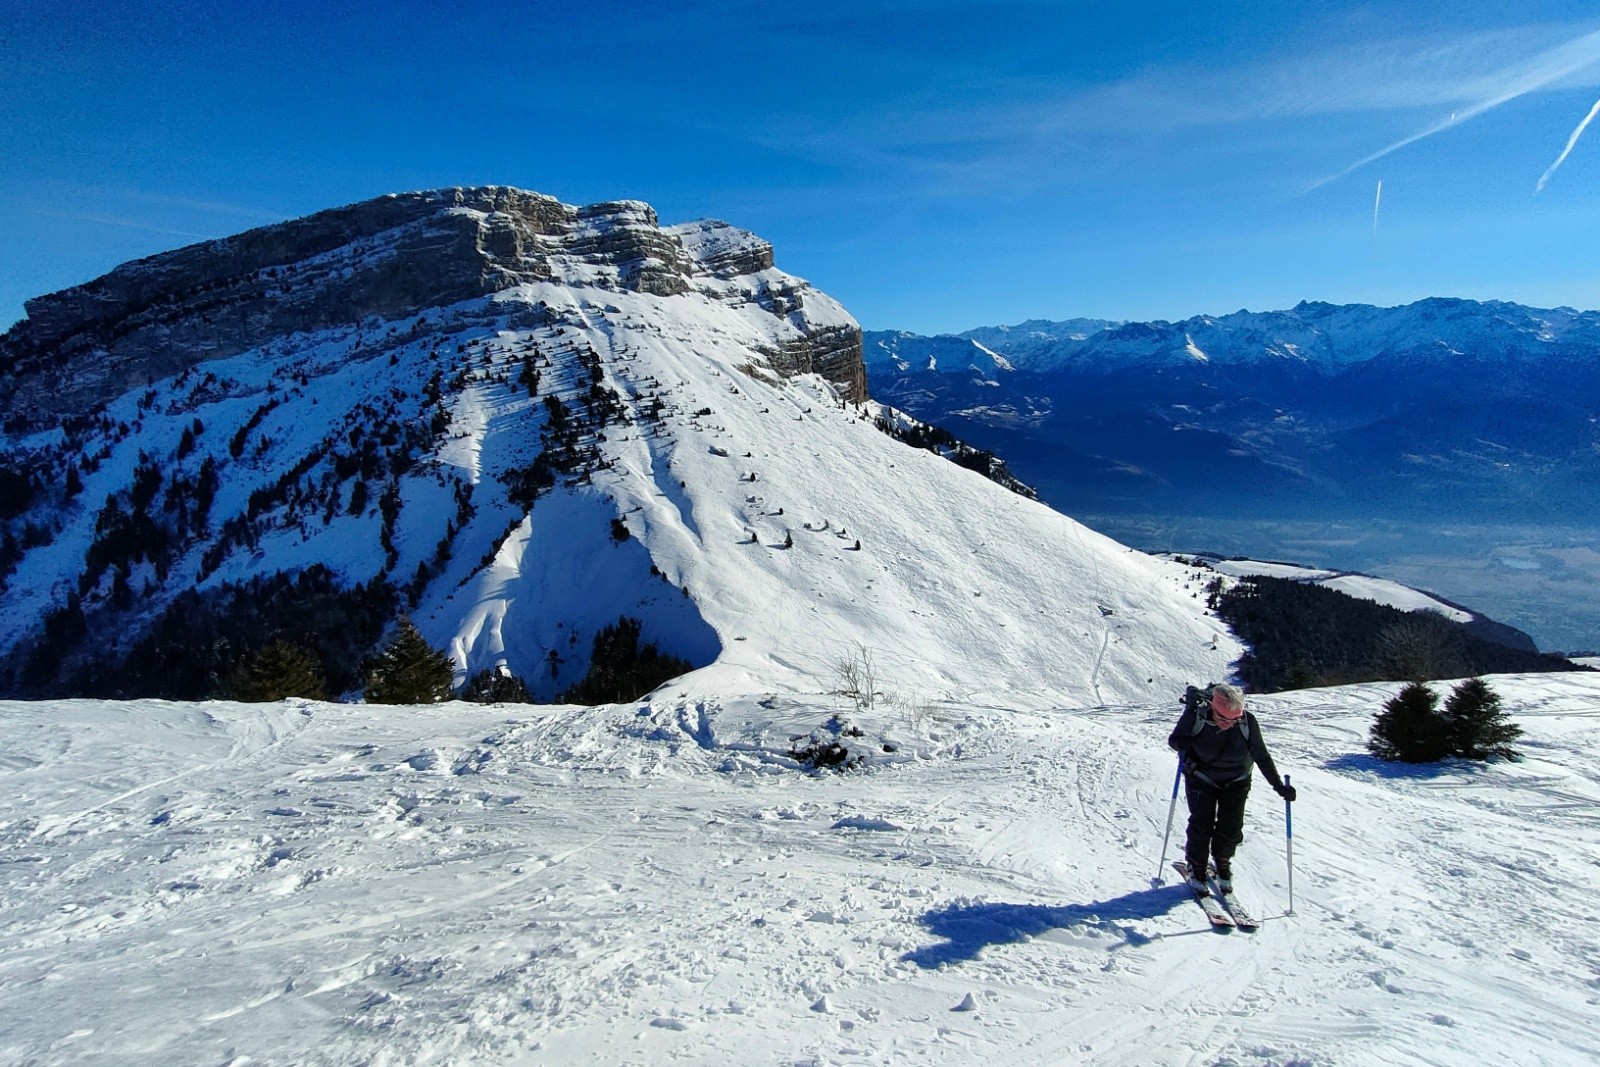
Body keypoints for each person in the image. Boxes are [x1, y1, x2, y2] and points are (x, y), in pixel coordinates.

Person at [1167, 683, 1296, 894]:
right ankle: (1196, 864)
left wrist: (1278, 786)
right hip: (1201, 777)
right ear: (1213, 708)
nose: (1229, 723)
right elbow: (1175, 740)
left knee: (1232, 826)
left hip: (1237, 779)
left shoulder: (1247, 722)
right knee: (1202, 823)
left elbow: (1261, 755)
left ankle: (1222, 861)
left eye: (1233, 719)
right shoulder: (1198, 715)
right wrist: (1184, 743)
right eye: (1223, 719)